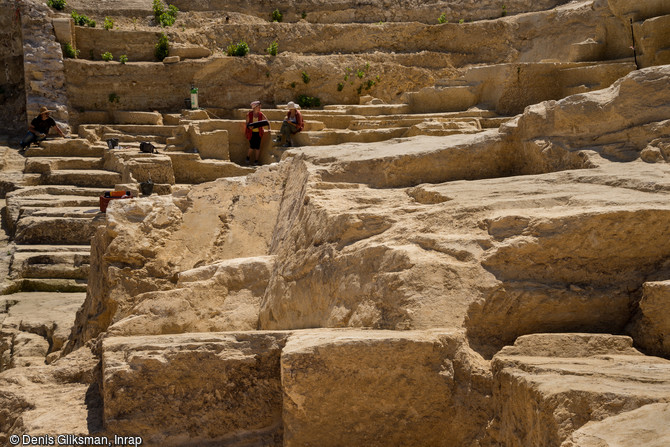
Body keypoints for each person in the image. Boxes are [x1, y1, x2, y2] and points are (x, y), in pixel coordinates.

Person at [245, 100, 270, 165]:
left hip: (259, 133)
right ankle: (248, 157)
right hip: (251, 133)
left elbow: (267, 121)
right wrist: (249, 126)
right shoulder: (249, 114)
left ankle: (256, 160)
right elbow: (247, 124)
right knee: (252, 146)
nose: (260, 108)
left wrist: (269, 129)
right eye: (259, 107)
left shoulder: (261, 114)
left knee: (257, 147)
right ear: (255, 107)